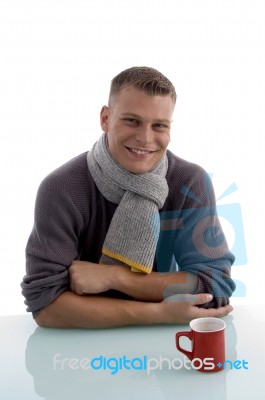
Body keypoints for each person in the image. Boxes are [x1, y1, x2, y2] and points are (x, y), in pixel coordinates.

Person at [21, 66, 235, 328]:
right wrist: (161, 313)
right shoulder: (61, 189)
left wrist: (117, 278)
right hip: (79, 350)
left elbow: (215, 285)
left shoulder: (189, 183)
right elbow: (46, 305)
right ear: (105, 118)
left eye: (159, 125)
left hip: (162, 348)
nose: (145, 138)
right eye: (131, 120)